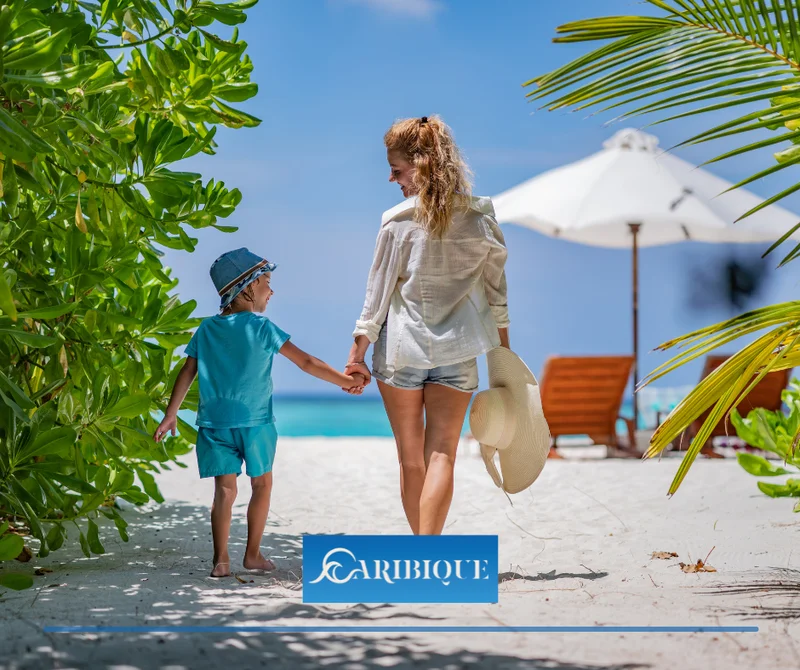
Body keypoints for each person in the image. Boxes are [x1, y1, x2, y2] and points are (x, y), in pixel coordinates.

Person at [154, 248, 365, 577]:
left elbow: (186, 371)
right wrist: (344, 381)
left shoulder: (206, 330)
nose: (271, 289)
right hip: (255, 423)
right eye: (267, 282)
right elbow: (307, 362)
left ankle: (221, 560)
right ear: (248, 288)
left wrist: (171, 414)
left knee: (224, 490)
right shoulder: (262, 328)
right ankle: (252, 554)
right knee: (262, 485)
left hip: (215, 424)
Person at [345, 115, 510, 535]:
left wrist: (356, 357)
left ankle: (421, 554)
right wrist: (504, 359)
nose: (390, 178)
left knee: (411, 457)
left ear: (423, 164)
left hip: (401, 353)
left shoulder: (397, 221)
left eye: (397, 169)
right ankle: (429, 554)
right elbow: (497, 298)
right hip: (458, 352)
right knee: (442, 455)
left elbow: (376, 298)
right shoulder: (482, 220)